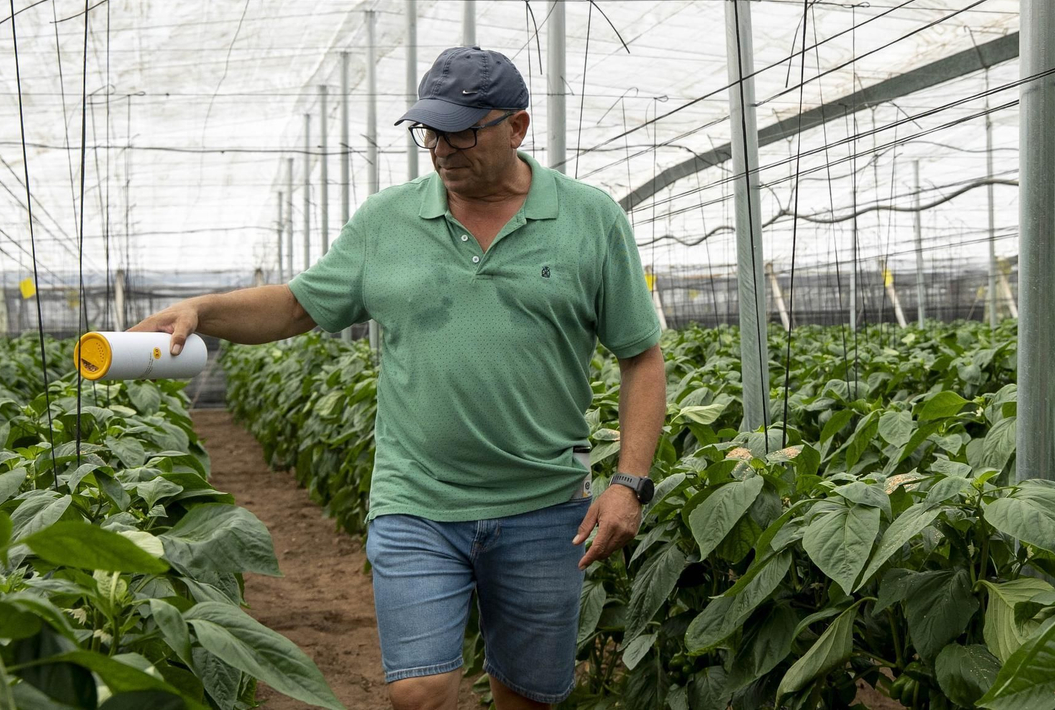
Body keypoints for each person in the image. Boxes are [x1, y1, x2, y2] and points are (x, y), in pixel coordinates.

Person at [132, 45, 667, 710]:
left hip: (543, 503)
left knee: (527, 695)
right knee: (419, 691)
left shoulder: (589, 219)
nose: (443, 149)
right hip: (416, 500)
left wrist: (629, 483)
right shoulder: (388, 220)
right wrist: (203, 310)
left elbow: (640, 355)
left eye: (463, 131)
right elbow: (300, 305)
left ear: (518, 127)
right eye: (430, 131)